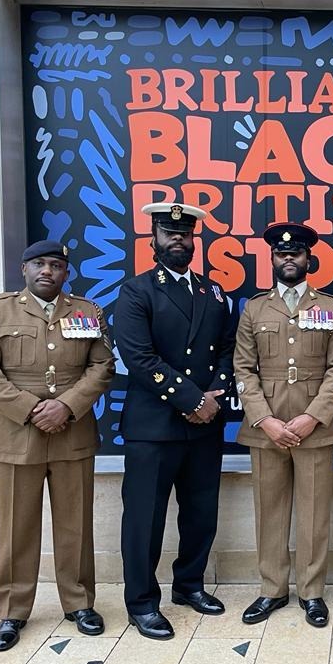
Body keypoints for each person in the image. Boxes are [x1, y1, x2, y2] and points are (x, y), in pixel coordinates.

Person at [0, 240, 115, 651]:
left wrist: (66, 406)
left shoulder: (87, 312)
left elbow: (103, 366)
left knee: (76, 525)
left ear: (67, 272)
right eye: (39, 264)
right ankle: (13, 611)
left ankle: (79, 603)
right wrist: (33, 409)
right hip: (16, 436)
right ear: (24, 269)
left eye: (56, 265)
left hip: (72, 433)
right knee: (16, 527)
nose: (47, 270)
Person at [114, 202, 237, 640]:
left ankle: (189, 586)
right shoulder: (136, 292)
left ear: (194, 241)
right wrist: (189, 399)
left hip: (204, 426)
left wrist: (213, 398)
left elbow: (227, 349)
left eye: (185, 235)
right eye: (170, 234)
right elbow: (139, 357)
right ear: (154, 240)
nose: (178, 241)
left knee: (200, 514)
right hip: (154, 427)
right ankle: (143, 603)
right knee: (145, 519)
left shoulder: (213, 292)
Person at [234, 222, 333, 628]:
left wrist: (310, 417)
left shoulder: (330, 307)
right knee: (270, 511)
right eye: (282, 253)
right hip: (266, 429)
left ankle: (312, 592)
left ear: (308, 259)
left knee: (315, 513)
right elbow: (243, 369)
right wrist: (264, 419)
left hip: (314, 427)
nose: (288, 258)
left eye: (296, 253)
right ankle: (272, 589)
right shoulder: (254, 308)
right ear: (271, 258)